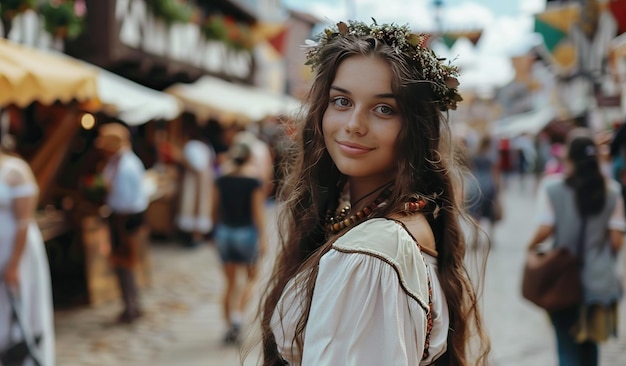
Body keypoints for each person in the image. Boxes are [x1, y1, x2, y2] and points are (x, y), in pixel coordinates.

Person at [258, 20, 490, 365]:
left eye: (384, 109)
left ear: (414, 127)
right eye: (341, 101)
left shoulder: (369, 256)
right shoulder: (397, 221)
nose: (354, 123)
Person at [527, 128, 625, 366]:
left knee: (567, 348)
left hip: (564, 281)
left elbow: (545, 230)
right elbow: (615, 241)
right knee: (591, 349)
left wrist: (530, 248)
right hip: (600, 283)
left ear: (568, 157)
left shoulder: (552, 188)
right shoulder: (611, 191)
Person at [0, 150, 55, 365]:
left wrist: (13, 264)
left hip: (17, 251)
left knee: (20, 304)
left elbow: (24, 220)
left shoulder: (15, 170)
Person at [213, 142, 267, 344]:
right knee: (251, 279)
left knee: (229, 283)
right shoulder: (252, 181)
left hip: (225, 232)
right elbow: (257, 212)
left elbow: (214, 208)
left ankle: (229, 325)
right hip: (245, 232)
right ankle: (237, 318)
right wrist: (263, 237)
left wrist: (213, 232)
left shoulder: (221, 179)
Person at [96, 122, 148, 324]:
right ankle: (131, 303)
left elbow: (125, 198)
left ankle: (132, 305)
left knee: (126, 262)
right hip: (122, 216)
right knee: (124, 263)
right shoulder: (116, 162)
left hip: (126, 218)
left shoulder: (126, 165)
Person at [176, 123, 216, 247]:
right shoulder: (205, 146)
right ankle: (196, 235)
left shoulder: (191, 146)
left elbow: (196, 166)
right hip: (204, 180)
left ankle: (194, 235)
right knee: (200, 205)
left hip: (194, 181)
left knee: (192, 203)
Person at [466, 134, 502, 244]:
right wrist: (498, 188)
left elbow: (471, 169)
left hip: (476, 184)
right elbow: (495, 173)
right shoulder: (492, 156)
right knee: (490, 210)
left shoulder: (475, 154)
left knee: (476, 211)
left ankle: (475, 237)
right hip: (488, 184)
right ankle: (490, 237)